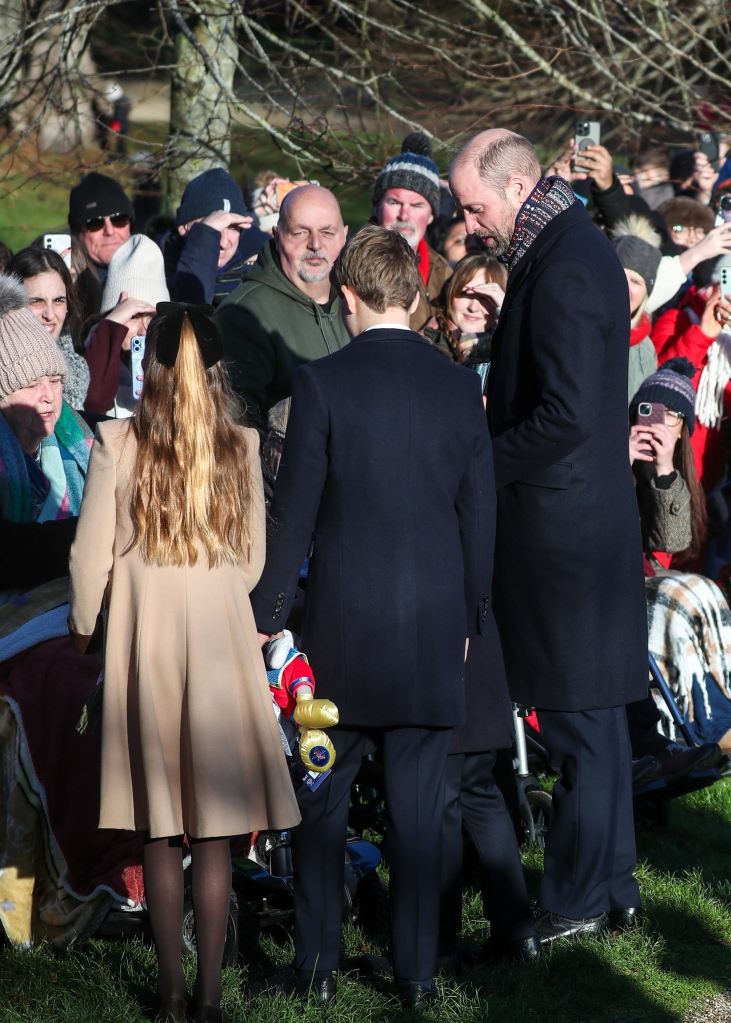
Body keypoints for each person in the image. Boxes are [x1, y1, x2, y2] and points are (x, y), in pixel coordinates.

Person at [249, 225, 495, 1009]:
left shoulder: (322, 383)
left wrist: (267, 614)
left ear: (348, 296)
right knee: (420, 809)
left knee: (322, 800)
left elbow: (293, 518)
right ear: (419, 298)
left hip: (339, 634)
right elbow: (477, 516)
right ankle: (416, 972)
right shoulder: (458, 388)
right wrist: (469, 613)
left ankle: (319, 965)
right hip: (430, 629)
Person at [67, 304, 300, 1023]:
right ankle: (208, 1000)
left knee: (162, 829)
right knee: (218, 832)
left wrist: (82, 638)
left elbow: (86, 562)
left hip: (148, 650)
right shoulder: (239, 444)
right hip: (223, 649)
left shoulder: (116, 442)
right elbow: (256, 562)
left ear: (153, 366)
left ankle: (168, 997)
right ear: (220, 369)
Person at [450, 129, 648, 944]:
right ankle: (614, 882)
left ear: (518, 184)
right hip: (582, 522)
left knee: (577, 723)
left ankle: (574, 897)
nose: (467, 224)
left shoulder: (564, 262)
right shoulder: (568, 243)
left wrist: (478, 464)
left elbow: (565, 412)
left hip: (564, 530)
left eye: (473, 204)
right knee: (592, 718)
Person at [215, 184, 349, 428]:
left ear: (344, 235)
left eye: (327, 232)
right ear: (276, 236)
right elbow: (236, 432)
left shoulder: (359, 303)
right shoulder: (244, 315)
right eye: (301, 233)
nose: (316, 244)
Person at [0, 275, 93, 598]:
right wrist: (96, 529)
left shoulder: (75, 436)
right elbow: (8, 552)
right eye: (29, 385)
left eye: (54, 380)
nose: (48, 396)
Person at [652, 256, 731, 491]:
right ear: (717, 286)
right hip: (667, 465)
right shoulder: (676, 320)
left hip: (710, 473)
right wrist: (702, 335)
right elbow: (656, 385)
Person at [372, 132, 452, 331]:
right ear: (378, 207)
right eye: (394, 202)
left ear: (432, 214)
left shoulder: (445, 273)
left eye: (416, 205)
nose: (404, 215)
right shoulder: (354, 267)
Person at [83, 235, 168, 417]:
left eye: (152, 318)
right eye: (132, 317)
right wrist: (111, 328)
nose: (143, 331)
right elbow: (95, 402)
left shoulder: (175, 358)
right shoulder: (93, 353)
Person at [161, 168, 269, 307]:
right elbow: (189, 316)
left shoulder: (256, 284)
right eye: (211, 227)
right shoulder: (154, 278)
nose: (223, 242)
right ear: (183, 227)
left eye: (232, 228)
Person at [5, 248, 90, 410]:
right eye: (36, 301)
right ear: (11, 304)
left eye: (58, 300)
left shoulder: (76, 369)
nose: (50, 315)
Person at [611, 216, 662, 401]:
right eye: (620, 275)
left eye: (636, 281)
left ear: (645, 294)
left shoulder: (646, 350)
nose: (625, 286)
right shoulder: (580, 327)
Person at [426, 252, 506, 367]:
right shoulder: (427, 343)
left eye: (486, 298)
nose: (473, 307)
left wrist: (508, 313)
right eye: (466, 294)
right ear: (449, 291)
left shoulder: (509, 347)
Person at [69, 172, 134, 292]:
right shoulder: (65, 287)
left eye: (118, 220)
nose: (109, 231)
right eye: (94, 223)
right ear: (77, 233)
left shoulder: (160, 270)